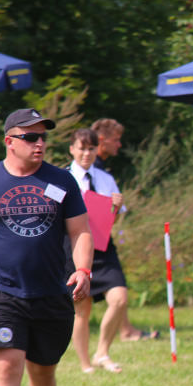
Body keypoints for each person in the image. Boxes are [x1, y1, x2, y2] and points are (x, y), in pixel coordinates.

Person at [0, 108, 93, 386]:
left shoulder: (61, 181)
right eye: (30, 137)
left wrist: (83, 269)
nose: (40, 144)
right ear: (10, 142)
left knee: (43, 371)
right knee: (6, 367)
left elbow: (81, 231)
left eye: (43, 137)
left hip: (53, 292)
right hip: (2, 292)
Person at [65, 128, 129, 373]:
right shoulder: (63, 177)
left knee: (120, 298)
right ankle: (85, 364)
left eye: (91, 148)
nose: (86, 154)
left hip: (103, 247)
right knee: (82, 308)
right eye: (81, 148)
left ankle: (102, 352)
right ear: (72, 149)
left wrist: (117, 206)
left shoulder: (105, 178)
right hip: (74, 247)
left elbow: (115, 217)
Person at [90, 118, 159, 341]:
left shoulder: (103, 173)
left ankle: (126, 329)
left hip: (102, 240)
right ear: (101, 140)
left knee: (117, 290)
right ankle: (125, 331)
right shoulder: (87, 169)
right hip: (83, 241)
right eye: (116, 140)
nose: (119, 145)